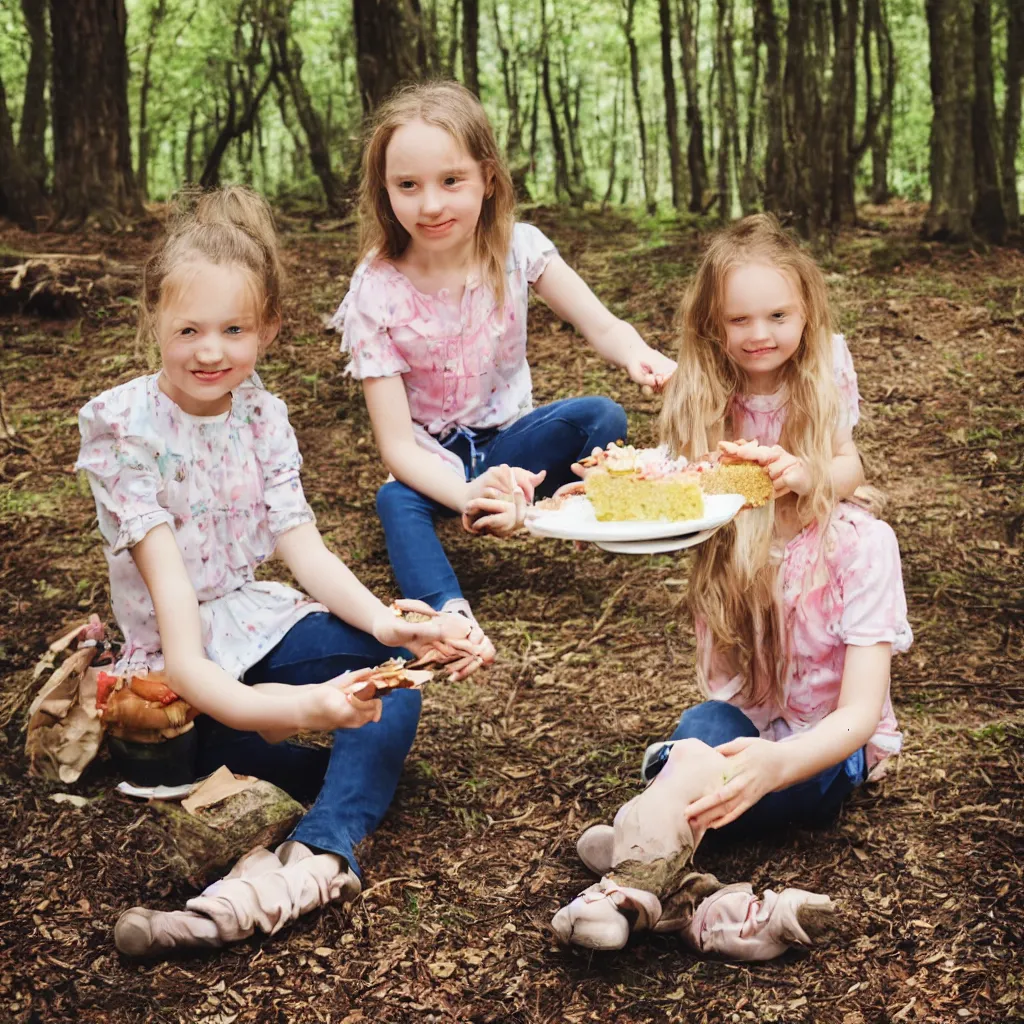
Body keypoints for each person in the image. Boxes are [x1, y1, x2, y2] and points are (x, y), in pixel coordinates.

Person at [75, 186, 482, 958]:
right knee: (330, 731)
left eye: (234, 329)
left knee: (390, 678)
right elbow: (184, 651)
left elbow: (304, 548)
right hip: (184, 683)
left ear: (269, 329)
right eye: (188, 328)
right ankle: (330, 823)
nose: (210, 351)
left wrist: (385, 623)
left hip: (254, 620)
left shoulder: (261, 413)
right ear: (153, 321)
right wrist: (308, 708)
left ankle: (315, 854)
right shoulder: (125, 431)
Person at [553, 214, 912, 958]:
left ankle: (634, 850)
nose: (758, 333)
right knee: (698, 738)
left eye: (777, 315)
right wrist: (579, 498)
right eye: (738, 319)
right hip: (745, 726)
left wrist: (778, 763)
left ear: (807, 316)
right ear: (714, 330)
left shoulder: (863, 545)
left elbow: (858, 715)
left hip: (820, 757)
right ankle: (680, 898)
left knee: (716, 774)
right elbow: (659, 481)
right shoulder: (725, 526)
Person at [330, 81, 676, 657]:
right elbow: (396, 446)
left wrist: (639, 352)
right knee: (395, 501)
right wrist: (466, 493)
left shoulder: (520, 249)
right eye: (408, 186)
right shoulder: (377, 288)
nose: (431, 204)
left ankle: (545, 509)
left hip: (515, 445)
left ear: (487, 178)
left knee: (601, 418)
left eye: (451, 181)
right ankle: (450, 612)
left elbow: (603, 326)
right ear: (384, 191)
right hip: (434, 459)